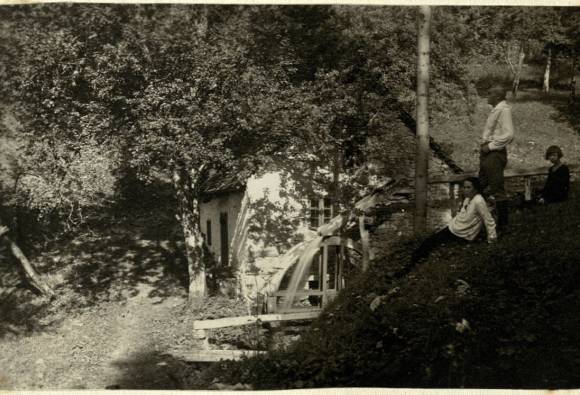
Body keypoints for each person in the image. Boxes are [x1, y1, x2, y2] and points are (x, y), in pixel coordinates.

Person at [412, 177, 497, 263]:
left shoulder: (478, 201)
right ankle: (414, 260)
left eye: (468, 187)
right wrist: (448, 225)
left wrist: (492, 241)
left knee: (430, 242)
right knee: (430, 241)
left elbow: (489, 220)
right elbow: (461, 216)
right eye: (464, 187)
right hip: (455, 229)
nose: (465, 190)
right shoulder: (468, 198)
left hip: (463, 234)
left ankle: (414, 262)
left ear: (475, 189)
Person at [478, 84, 515, 232]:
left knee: (496, 189)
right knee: (479, 185)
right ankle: (478, 221)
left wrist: (490, 146)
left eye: (489, 93)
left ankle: (503, 225)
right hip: (488, 154)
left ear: (498, 96)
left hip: (494, 154)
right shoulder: (497, 109)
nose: (487, 95)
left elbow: (509, 134)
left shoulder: (504, 110)